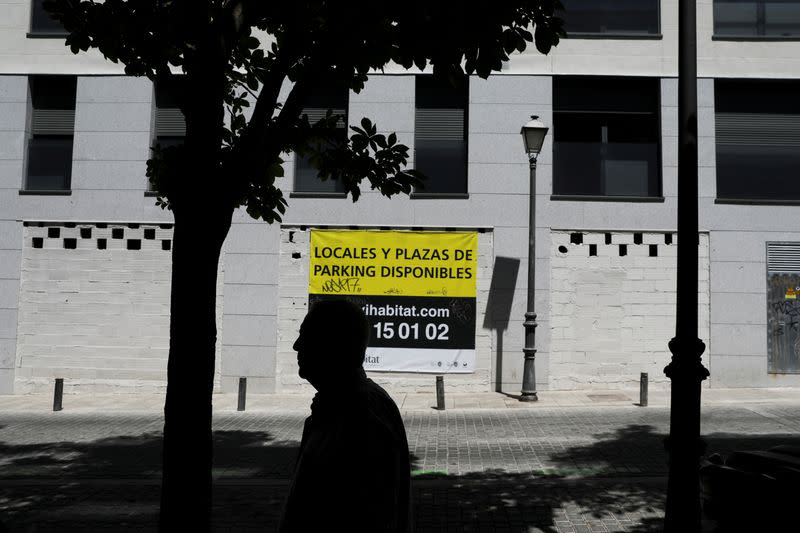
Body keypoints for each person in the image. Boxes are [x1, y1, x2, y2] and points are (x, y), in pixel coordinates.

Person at [279, 299, 412, 532]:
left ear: (334, 345)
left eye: (306, 336)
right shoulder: (334, 407)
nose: (296, 346)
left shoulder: (362, 420)